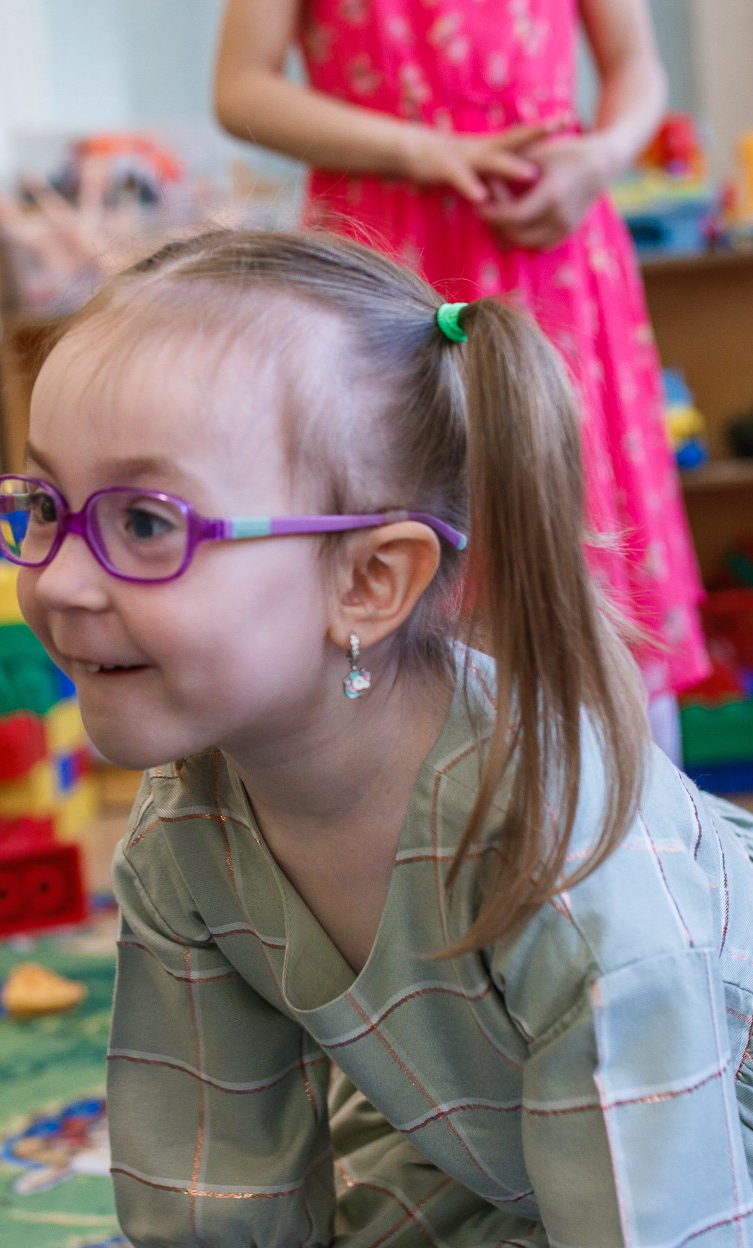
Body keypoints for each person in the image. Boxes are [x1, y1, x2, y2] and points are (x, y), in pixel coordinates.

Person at [0, 229, 753, 1248]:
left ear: (369, 580)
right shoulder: (184, 828)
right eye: (43, 508)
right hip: (496, 1129)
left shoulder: (556, 851)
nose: (57, 580)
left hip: (721, 1157)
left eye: (144, 523)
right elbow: (232, 1161)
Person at [214, 0, 707, 752]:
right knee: (402, 518)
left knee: (574, 525)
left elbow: (635, 64)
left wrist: (603, 158)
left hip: (552, 240)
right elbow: (241, 88)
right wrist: (416, 147)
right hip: (385, 252)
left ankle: (626, 823)